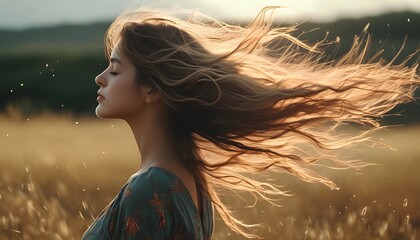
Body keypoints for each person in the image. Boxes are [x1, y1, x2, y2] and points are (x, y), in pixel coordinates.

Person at [82, 6, 419, 239]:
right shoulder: (192, 184)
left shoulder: (149, 189)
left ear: (153, 88)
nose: (100, 78)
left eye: (114, 69)